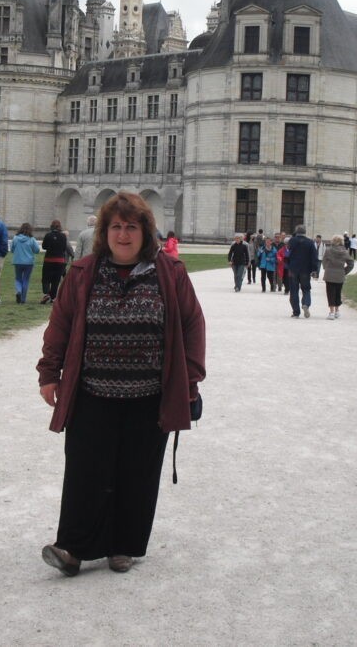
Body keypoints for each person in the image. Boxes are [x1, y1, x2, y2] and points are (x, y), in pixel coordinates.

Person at [37, 191, 206, 577]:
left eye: (132, 227)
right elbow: (59, 326)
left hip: (150, 395)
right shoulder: (83, 273)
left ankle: (123, 546)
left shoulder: (171, 273)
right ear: (105, 232)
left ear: (146, 232)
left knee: (138, 472)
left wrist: (190, 379)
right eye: (117, 226)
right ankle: (73, 548)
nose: (124, 234)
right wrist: (50, 372)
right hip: (93, 391)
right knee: (84, 470)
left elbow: (193, 328)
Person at [286, 225, 319, 318]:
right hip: (305, 269)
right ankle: (306, 304)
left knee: (294, 291)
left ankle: (296, 312)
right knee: (306, 289)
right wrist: (314, 269)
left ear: (296, 232)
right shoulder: (310, 242)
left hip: (293, 269)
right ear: (305, 232)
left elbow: (287, 254)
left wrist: (289, 264)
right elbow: (314, 257)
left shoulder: (292, 241)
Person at [322, 234, 354, 319]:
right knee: (337, 292)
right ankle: (337, 310)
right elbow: (351, 263)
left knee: (330, 293)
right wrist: (344, 271)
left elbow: (324, 261)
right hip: (340, 274)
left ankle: (331, 312)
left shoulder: (328, 250)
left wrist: (326, 268)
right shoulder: (345, 252)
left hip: (330, 274)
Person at [40, 220, 71, 304]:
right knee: (56, 280)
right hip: (60, 260)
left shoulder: (48, 235)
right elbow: (64, 248)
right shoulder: (63, 236)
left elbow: (44, 246)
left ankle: (46, 294)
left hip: (49, 260)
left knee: (46, 279)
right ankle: (53, 297)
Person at [11, 223, 40, 304]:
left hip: (17, 261)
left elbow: (12, 249)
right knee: (25, 280)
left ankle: (18, 291)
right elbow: (37, 250)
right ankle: (23, 299)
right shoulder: (32, 239)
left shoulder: (16, 238)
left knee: (18, 278)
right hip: (29, 262)